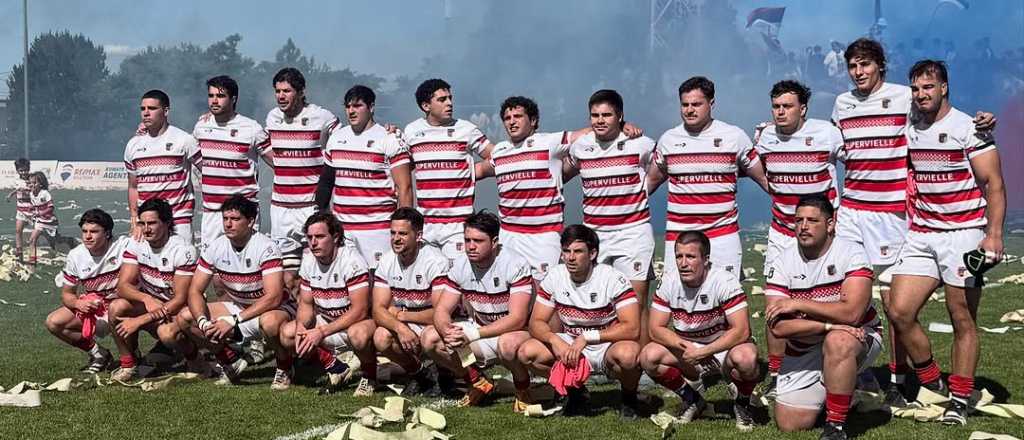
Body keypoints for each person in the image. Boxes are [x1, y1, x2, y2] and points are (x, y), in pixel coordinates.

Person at [831, 38, 996, 406]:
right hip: (853, 212)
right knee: (848, 296)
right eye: (853, 66)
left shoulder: (906, 98)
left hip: (895, 215)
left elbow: (946, 116)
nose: (859, 72)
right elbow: (832, 144)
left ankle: (900, 379)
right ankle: (850, 370)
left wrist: (982, 122)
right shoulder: (841, 104)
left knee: (907, 305)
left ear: (880, 66)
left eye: (866, 65)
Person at [887, 60, 1006, 426]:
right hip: (923, 232)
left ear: (944, 88)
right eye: (916, 88)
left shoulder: (969, 127)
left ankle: (959, 397)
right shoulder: (910, 122)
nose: (921, 94)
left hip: (965, 234)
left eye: (928, 87)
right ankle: (930, 375)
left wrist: (993, 234)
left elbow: (995, 185)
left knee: (962, 318)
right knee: (899, 310)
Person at [476, 96, 642, 282]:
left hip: (543, 237)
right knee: (508, 293)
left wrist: (621, 125)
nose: (512, 122)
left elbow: (589, 132)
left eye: (518, 116)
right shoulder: (500, 151)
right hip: (509, 236)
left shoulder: (549, 142)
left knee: (544, 297)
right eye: (507, 118)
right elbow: (479, 170)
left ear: (533, 121)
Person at [754, 80, 844, 395]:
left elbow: (860, 161)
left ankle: (850, 365)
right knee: (775, 306)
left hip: (825, 237)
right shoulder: (764, 137)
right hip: (782, 234)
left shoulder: (828, 133)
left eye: (787, 106)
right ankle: (777, 376)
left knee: (831, 301)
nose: (781, 112)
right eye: (776, 107)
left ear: (803, 108)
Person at [765, 194, 880, 440]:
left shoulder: (852, 252)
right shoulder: (782, 260)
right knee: (789, 423)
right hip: (807, 342)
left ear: (830, 224)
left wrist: (797, 303)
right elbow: (779, 327)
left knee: (839, 342)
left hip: (859, 335)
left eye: (812, 220)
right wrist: (828, 325)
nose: (803, 226)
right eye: (798, 220)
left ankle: (835, 426)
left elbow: (853, 313)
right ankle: (843, 389)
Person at [516, 225, 643, 419]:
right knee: (527, 353)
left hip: (605, 345)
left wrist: (587, 337)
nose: (570, 257)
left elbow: (632, 328)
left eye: (577, 251)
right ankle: (577, 393)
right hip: (570, 342)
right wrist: (554, 340)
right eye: (566, 251)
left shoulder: (613, 278)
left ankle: (629, 399)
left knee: (628, 355)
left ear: (592, 253)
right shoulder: (555, 275)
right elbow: (536, 322)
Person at [648, 76, 768, 279]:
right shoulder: (668, 140)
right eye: (684, 104)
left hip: (722, 237)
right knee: (678, 303)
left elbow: (765, 180)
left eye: (696, 104)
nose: (689, 110)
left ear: (711, 103)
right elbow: (649, 183)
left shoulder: (734, 136)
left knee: (728, 301)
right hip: (680, 237)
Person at [640, 231, 760, 431]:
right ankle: (693, 400)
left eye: (691, 256)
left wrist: (706, 351)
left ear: (706, 260)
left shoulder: (724, 281)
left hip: (724, 347)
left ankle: (742, 403)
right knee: (648, 356)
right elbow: (655, 329)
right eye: (679, 256)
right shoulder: (669, 282)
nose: (683, 263)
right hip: (689, 348)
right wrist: (688, 347)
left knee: (747, 358)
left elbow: (742, 331)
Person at [563, 90, 656, 341]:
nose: (600, 120)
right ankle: (606, 358)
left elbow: (663, 168)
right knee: (600, 302)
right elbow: (559, 174)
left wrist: (643, 190)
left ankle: (642, 364)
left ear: (620, 116)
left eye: (607, 115)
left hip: (633, 232)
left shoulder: (641, 144)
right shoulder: (581, 147)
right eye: (595, 115)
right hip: (595, 234)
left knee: (635, 304)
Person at [421, 211, 534, 409]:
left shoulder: (515, 264)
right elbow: (441, 310)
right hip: (480, 331)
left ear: (495, 241)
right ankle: (477, 382)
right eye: (467, 240)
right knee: (430, 338)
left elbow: (517, 318)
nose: (471, 246)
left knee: (507, 344)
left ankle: (523, 389)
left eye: (478, 241)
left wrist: (472, 334)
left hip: (515, 334)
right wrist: (447, 330)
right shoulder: (460, 265)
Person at [176, 195, 291, 388]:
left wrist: (233, 321)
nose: (228, 224)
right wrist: (204, 323)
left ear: (251, 222)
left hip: (272, 310)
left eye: (235, 219)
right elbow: (195, 290)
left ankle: (285, 368)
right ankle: (230, 361)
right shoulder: (216, 246)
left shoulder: (266, 247)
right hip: (239, 307)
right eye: (225, 219)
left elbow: (274, 297)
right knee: (186, 318)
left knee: (270, 323)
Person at [278, 212, 378, 394]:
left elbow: (360, 310)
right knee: (288, 333)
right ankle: (336, 367)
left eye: (320, 236)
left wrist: (321, 332)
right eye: (309, 237)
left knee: (359, 334)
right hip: (328, 321)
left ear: (336, 237)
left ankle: (370, 376)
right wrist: (302, 326)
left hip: (355, 324)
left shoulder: (352, 261)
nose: (313, 242)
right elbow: (306, 305)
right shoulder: (308, 260)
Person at [402, 79, 493, 263]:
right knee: (427, 284)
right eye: (442, 99)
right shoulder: (412, 131)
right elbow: (404, 167)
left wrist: (472, 172)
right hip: (426, 225)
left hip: (458, 226)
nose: (449, 103)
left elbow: (499, 158)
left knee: (457, 283)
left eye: (450, 98)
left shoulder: (466, 129)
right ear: (426, 105)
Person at [324, 85, 413, 271]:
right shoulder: (336, 138)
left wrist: (404, 230)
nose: (351, 111)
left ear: (371, 107)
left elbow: (404, 188)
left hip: (377, 231)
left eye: (357, 106)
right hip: (343, 230)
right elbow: (326, 184)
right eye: (348, 106)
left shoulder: (388, 139)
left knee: (376, 288)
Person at [371, 207, 455, 395]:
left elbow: (440, 313)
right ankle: (419, 373)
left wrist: (401, 316)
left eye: (403, 233)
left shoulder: (435, 261)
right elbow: (378, 310)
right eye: (393, 233)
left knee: (430, 337)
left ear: (418, 236)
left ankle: (450, 374)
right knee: (381, 337)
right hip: (409, 323)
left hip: (436, 324)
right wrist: (401, 328)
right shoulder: (386, 261)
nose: (396, 238)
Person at [110, 199, 196, 381]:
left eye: (152, 223)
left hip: (179, 314)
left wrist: (140, 321)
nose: (146, 229)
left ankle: (195, 358)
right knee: (116, 307)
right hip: (153, 307)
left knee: (167, 334)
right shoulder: (136, 244)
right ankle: (128, 363)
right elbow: (123, 286)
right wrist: (146, 299)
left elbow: (180, 299)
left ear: (166, 223)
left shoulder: (183, 249)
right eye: (142, 223)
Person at [44, 209, 130, 374]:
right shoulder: (76, 255)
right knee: (54, 322)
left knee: (118, 307)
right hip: (97, 307)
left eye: (94, 231)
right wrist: (78, 303)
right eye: (84, 231)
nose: (87, 236)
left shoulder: (123, 245)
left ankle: (134, 358)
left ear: (107, 233)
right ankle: (99, 354)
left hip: (125, 306)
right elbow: (67, 294)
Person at [191, 75, 272, 249]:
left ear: (233, 99)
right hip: (212, 213)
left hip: (242, 214)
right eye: (211, 95)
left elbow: (278, 162)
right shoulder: (201, 127)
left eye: (220, 96)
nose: (214, 100)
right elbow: (190, 155)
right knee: (210, 272)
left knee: (247, 269)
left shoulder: (251, 128)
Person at [264, 68, 339, 244]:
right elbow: (257, 143)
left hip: (311, 207)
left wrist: (385, 131)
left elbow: (348, 139)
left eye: (287, 91)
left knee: (315, 265)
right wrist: (214, 118)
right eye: (277, 91)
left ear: (301, 92)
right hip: (280, 208)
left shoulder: (321, 117)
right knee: (284, 268)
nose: (281, 96)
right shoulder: (272, 117)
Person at [124, 89, 199, 243]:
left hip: (178, 220)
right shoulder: (133, 145)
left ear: (165, 111)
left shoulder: (184, 140)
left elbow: (209, 171)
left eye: (151, 108)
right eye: (142, 109)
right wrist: (135, 219)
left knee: (181, 265)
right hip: (146, 221)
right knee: (144, 266)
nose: (146, 113)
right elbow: (133, 187)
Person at [26, 172, 74, 264]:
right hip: (39, 221)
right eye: (30, 183)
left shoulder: (45, 193)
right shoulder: (31, 194)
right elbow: (36, 205)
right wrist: (31, 208)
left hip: (50, 221)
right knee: (32, 239)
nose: (32, 185)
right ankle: (32, 263)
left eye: (34, 183)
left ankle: (69, 240)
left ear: (40, 184)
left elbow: (51, 208)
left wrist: (40, 213)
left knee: (57, 240)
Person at [6, 158, 32, 262]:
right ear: (17, 171)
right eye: (21, 170)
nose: (23, 172)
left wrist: (27, 190)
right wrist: (10, 195)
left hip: (32, 211)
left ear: (28, 169)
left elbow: (36, 190)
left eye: (25, 170)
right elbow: (17, 189)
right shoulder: (17, 180)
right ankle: (19, 253)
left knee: (43, 232)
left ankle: (59, 241)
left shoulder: (32, 179)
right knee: (18, 230)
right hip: (21, 211)